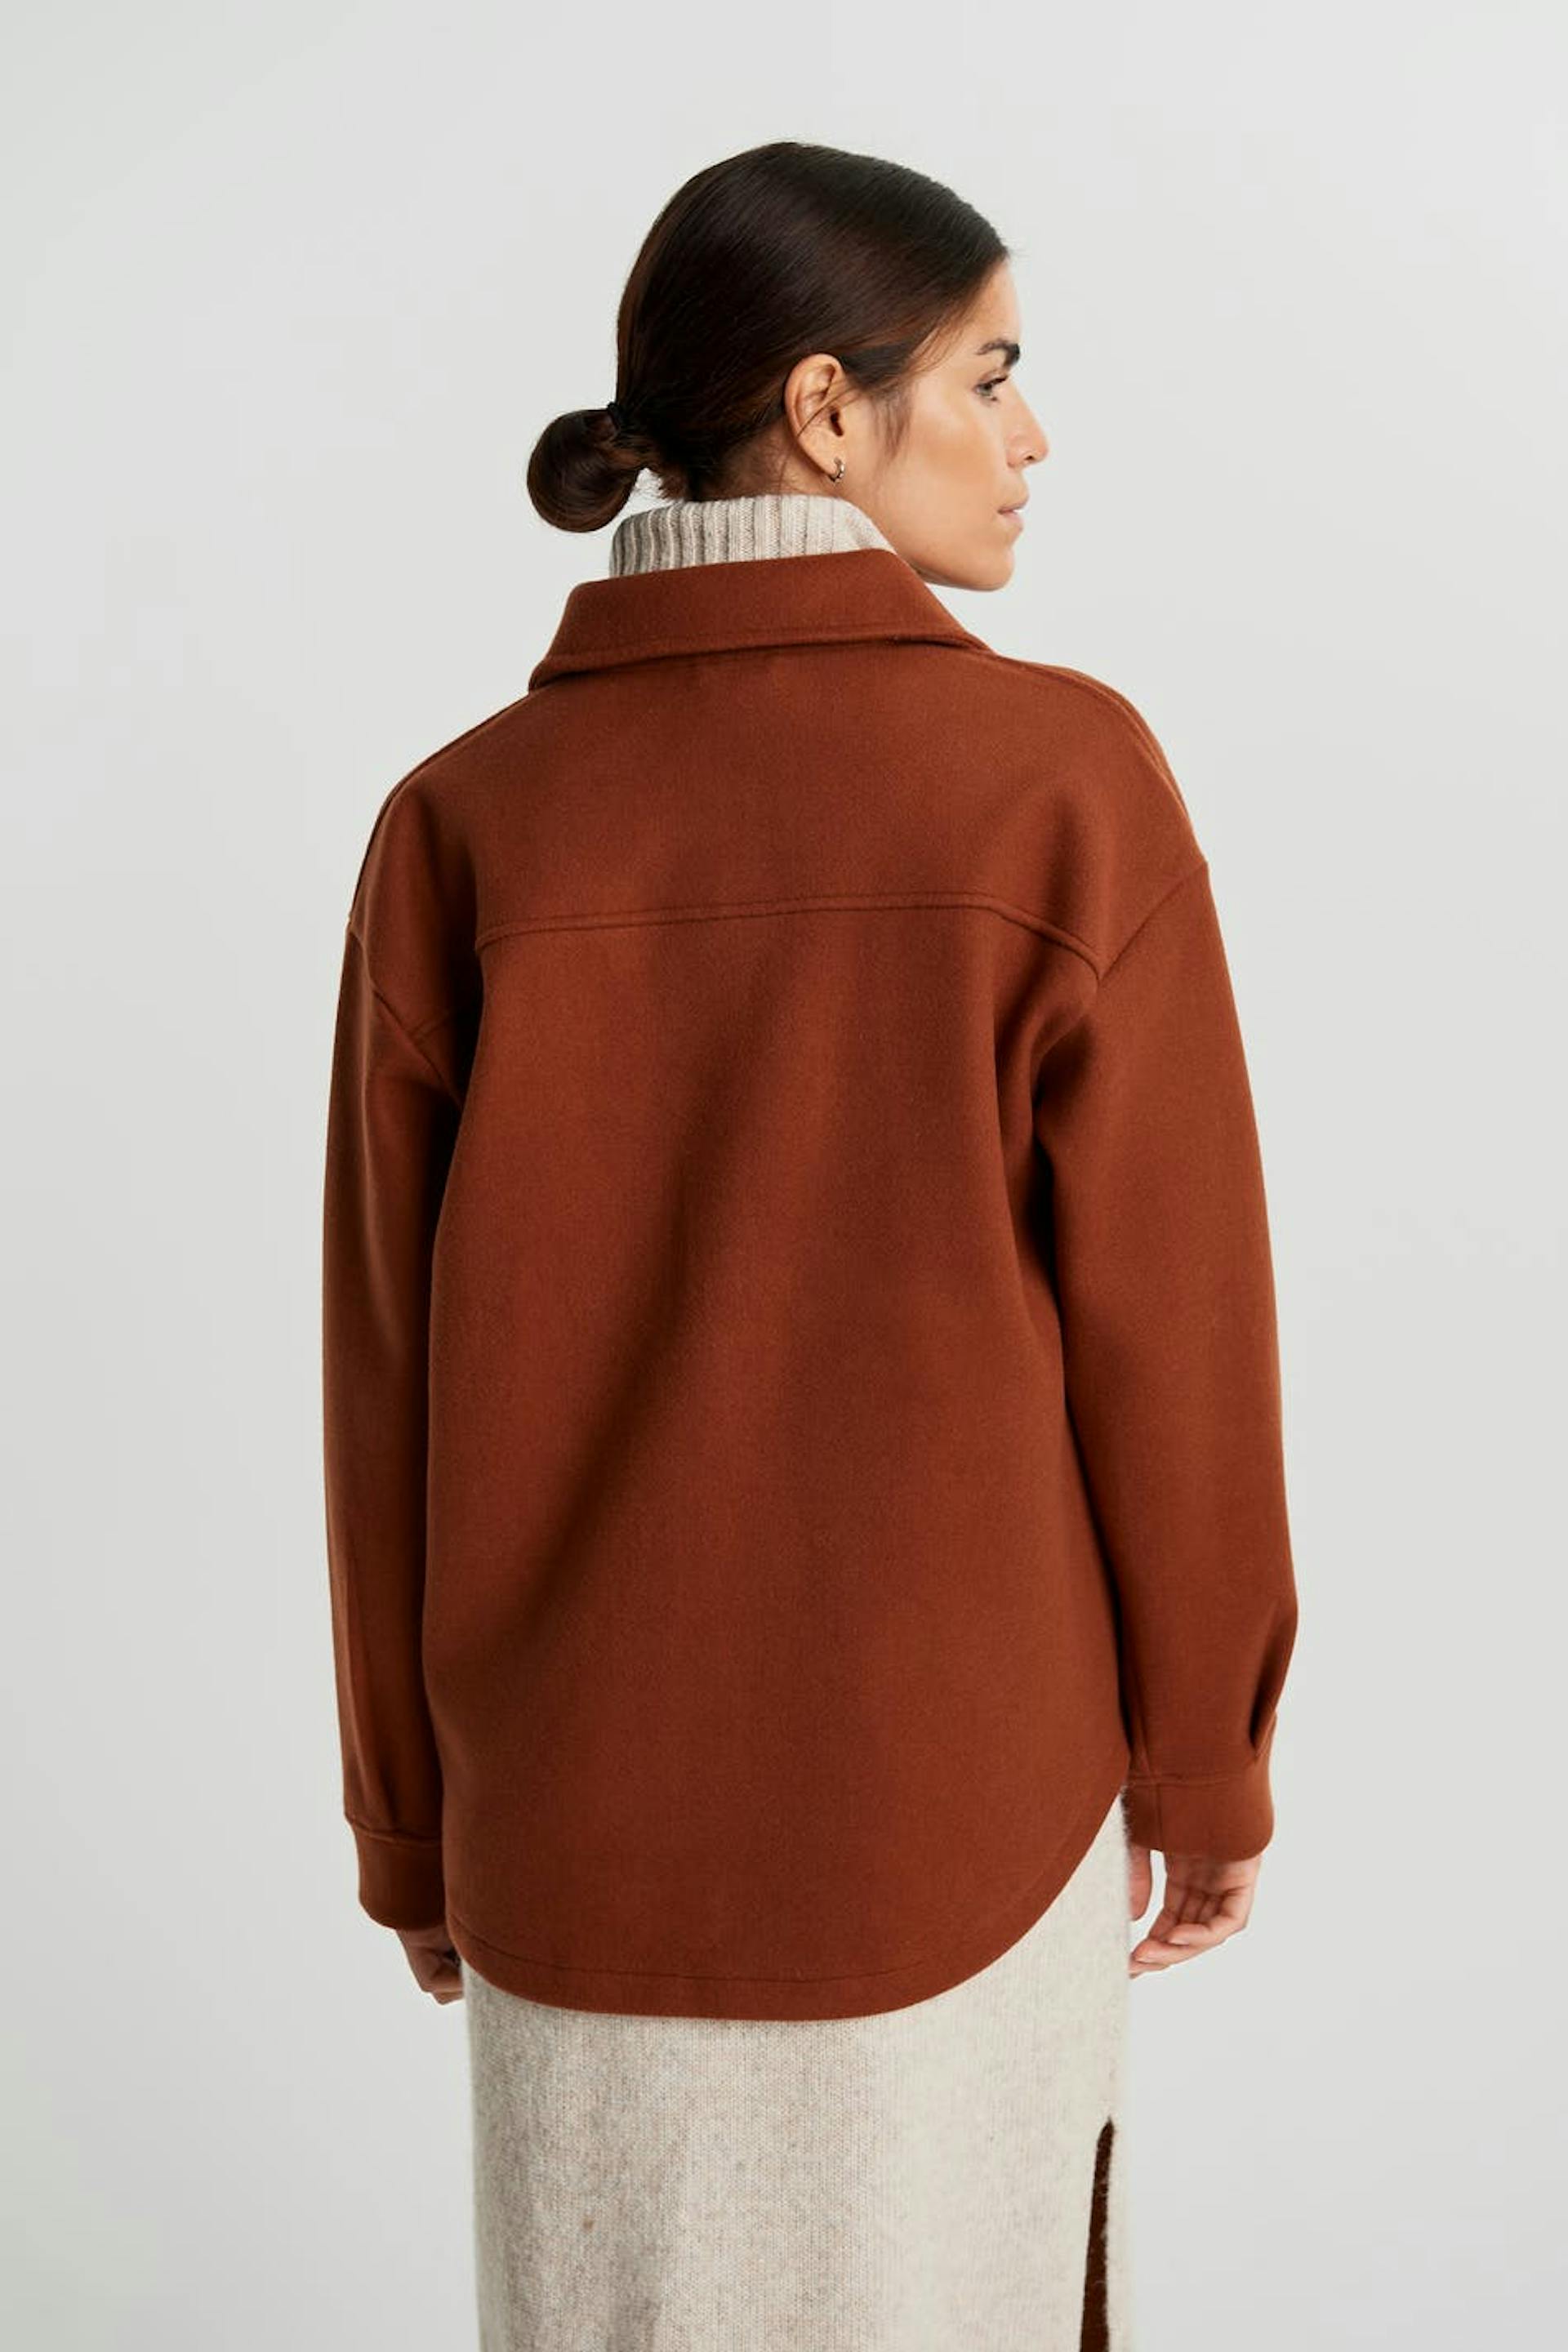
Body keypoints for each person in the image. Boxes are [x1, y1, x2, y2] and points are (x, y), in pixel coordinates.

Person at [320, 138, 1299, 2352]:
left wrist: (411, 1823)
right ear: (830, 409)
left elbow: (385, 1387)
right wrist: (1210, 1761)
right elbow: (1179, 1338)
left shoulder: (461, 822)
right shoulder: (1060, 781)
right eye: (993, 373)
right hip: (970, 1815)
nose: (1033, 438)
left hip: (567, 1838)